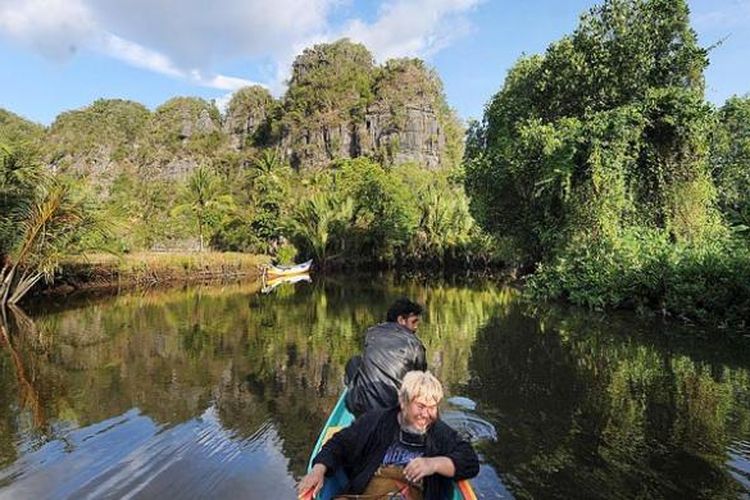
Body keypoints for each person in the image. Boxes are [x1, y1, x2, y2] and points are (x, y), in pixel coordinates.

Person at [298, 371, 479, 500]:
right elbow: (338, 444)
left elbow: (470, 462)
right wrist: (318, 470)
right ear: (403, 403)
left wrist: (434, 464)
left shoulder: (439, 433)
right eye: (421, 406)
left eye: (432, 407)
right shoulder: (377, 421)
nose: (426, 414)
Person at [345, 298, 427, 417]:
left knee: (355, 361)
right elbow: (421, 379)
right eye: (413, 322)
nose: (416, 327)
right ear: (401, 320)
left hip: (362, 408)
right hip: (395, 412)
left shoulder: (371, 333)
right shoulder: (415, 344)